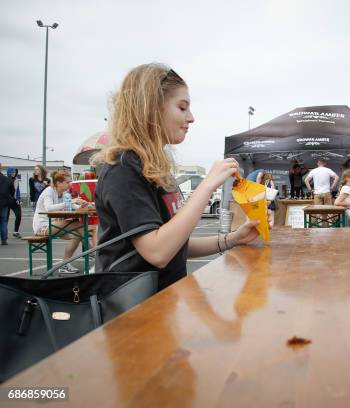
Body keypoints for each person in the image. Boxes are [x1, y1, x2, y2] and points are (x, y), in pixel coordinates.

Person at [92, 63, 263, 291]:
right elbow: (158, 251)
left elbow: (176, 244)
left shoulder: (153, 167)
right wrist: (207, 185)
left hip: (162, 302)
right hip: (131, 313)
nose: (191, 118)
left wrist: (232, 239)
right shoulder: (123, 168)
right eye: (182, 107)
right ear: (150, 109)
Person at [33, 170, 88, 273]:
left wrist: (81, 205)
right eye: (67, 182)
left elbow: (70, 205)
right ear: (58, 183)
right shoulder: (48, 191)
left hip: (54, 225)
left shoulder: (64, 193)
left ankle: (64, 265)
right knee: (77, 224)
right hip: (42, 227)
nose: (70, 184)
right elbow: (49, 208)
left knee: (76, 236)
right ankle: (94, 252)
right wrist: (71, 202)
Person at [0, 163, 15, 245]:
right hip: (4, 203)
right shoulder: (7, 179)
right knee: (3, 221)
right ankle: (4, 240)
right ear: (1, 168)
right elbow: (12, 191)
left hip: (4, 202)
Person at [6, 167, 22, 238]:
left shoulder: (16, 180)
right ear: (9, 172)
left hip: (15, 201)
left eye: (15, 172)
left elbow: (17, 190)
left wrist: (18, 199)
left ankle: (16, 232)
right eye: (12, 172)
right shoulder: (5, 180)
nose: (14, 173)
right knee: (5, 217)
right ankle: (4, 233)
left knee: (18, 215)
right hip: (6, 201)